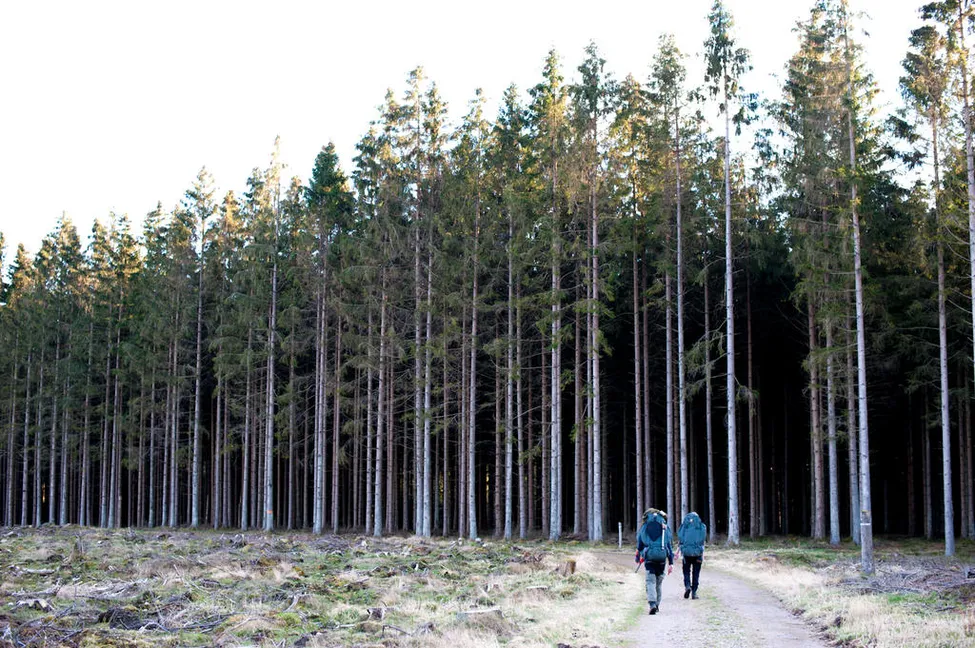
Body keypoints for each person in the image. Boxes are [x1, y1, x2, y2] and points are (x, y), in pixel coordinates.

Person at [636, 508, 673, 615]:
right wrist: (671, 563)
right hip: (661, 558)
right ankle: (657, 604)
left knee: (650, 581)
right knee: (658, 582)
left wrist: (638, 556)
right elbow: (669, 546)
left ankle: (652, 604)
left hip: (650, 558)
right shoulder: (665, 527)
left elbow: (640, 543)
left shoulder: (645, 526)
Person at [677, 511, 707, 600]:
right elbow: (703, 539)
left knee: (686, 571)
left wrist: (679, 549)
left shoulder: (684, 526)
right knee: (696, 573)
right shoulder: (701, 526)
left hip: (686, 553)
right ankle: (694, 592)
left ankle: (687, 586)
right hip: (698, 553)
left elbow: (680, 537)